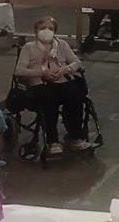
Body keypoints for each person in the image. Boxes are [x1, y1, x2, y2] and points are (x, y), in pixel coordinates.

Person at [16, 16, 94, 155]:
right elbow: (19, 70)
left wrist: (64, 70)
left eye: (50, 29)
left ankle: (76, 137)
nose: (46, 31)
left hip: (61, 80)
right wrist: (41, 72)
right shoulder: (29, 48)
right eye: (42, 28)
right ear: (36, 31)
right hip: (39, 83)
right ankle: (53, 141)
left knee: (75, 96)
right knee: (49, 100)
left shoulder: (62, 45)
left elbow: (76, 62)